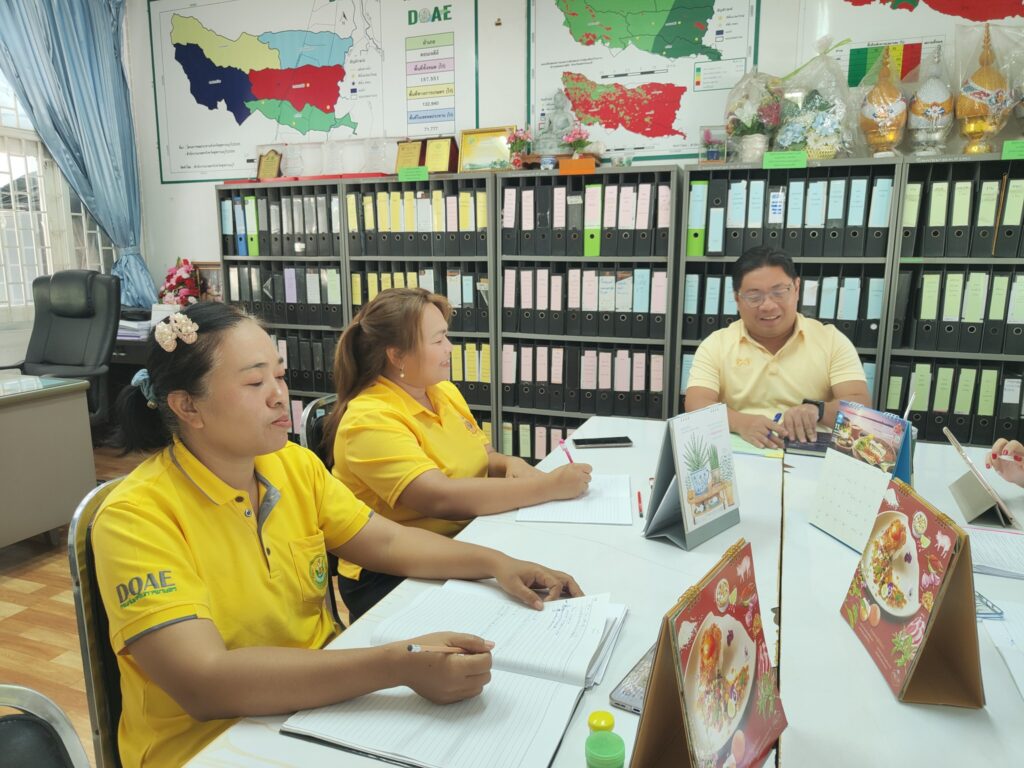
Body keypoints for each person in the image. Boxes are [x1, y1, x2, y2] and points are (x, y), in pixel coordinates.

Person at [94, 302, 582, 767]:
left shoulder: (292, 465)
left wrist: (496, 563)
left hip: (320, 704)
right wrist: (397, 664)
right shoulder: (136, 516)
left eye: (280, 376)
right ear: (187, 406)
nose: (278, 395)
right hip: (212, 745)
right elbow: (205, 683)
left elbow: (387, 541)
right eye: (255, 382)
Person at [322, 288, 593, 620]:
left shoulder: (441, 391)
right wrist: (548, 486)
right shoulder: (369, 420)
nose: (450, 347)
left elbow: (484, 456)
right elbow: (439, 498)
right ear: (397, 356)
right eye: (438, 340)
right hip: (392, 573)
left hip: (468, 536)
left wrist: (510, 463)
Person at [685, 247, 871, 449]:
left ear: (797, 288)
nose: (768, 306)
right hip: (741, 451)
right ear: (737, 299)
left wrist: (818, 410)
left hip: (811, 454)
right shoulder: (716, 344)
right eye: (754, 297)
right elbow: (696, 403)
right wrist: (740, 422)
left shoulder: (831, 340)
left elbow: (861, 405)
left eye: (779, 292)